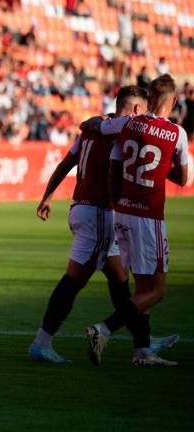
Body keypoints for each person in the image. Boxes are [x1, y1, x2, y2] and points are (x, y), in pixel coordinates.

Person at [28, 86, 176, 364]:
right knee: (74, 279)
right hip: (99, 211)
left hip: (86, 210)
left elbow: (66, 163)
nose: (145, 117)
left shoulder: (93, 128)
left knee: (119, 280)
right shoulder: (125, 131)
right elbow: (112, 174)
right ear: (135, 109)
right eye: (143, 110)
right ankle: (41, 342)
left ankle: (142, 344)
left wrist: (48, 195)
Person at [81, 74, 188, 367]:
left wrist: (95, 121)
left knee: (142, 288)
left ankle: (142, 352)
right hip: (149, 215)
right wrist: (159, 165)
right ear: (174, 101)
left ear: (148, 97)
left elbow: (96, 126)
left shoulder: (128, 123)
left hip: (123, 212)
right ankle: (102, 330)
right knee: (156, 291)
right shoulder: (176, 133)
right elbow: (183, 178)